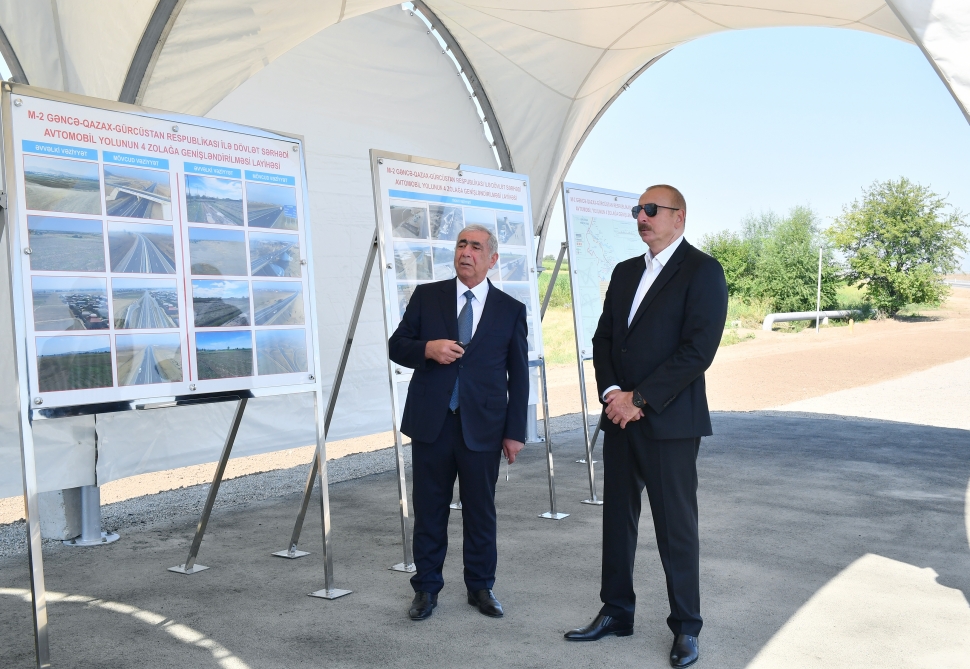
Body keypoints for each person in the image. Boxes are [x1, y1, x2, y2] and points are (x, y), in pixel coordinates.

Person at [564, 185, 727, 668]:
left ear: (679, 217)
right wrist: (613, 393)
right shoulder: (624, 271)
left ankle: (686, 627)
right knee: (617, 521)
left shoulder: (702, 270)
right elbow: (604, 338)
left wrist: (640, 399)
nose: (642, 217)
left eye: (652, 210)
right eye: (638, 209)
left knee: (676, 528)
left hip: (669, 422)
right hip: (620, 417)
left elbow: (698, 351)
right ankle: (616, 612)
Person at [388, 223, 529, 622]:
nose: (466, 252)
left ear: (492, 258)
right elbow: (397, 346)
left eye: (476, 247)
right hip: (432, 423)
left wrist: (514, 432)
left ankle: (481, 587)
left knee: (480, 511)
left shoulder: (510, 309)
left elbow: (519, 376)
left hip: (483, 426)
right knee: (429, 509)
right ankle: (426, 588)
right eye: (462, 244)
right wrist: (427, 349)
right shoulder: (427, 296)